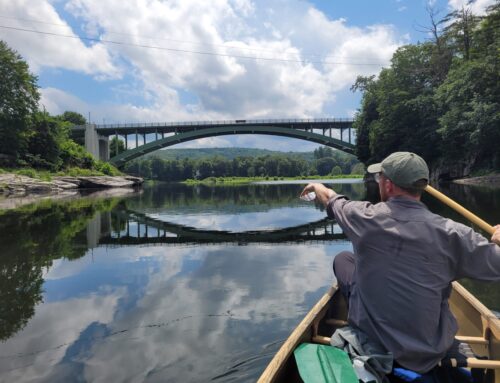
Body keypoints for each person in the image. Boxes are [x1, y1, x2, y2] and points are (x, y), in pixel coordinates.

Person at [301, 151, 500, 376]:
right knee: (346, 259)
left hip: (376, 344)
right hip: (428, 353)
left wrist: (317, 186)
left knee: (343, 260)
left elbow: (331, 199)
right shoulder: (455, 234)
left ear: (387, 185)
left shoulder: (363, 217)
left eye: (379, 178)